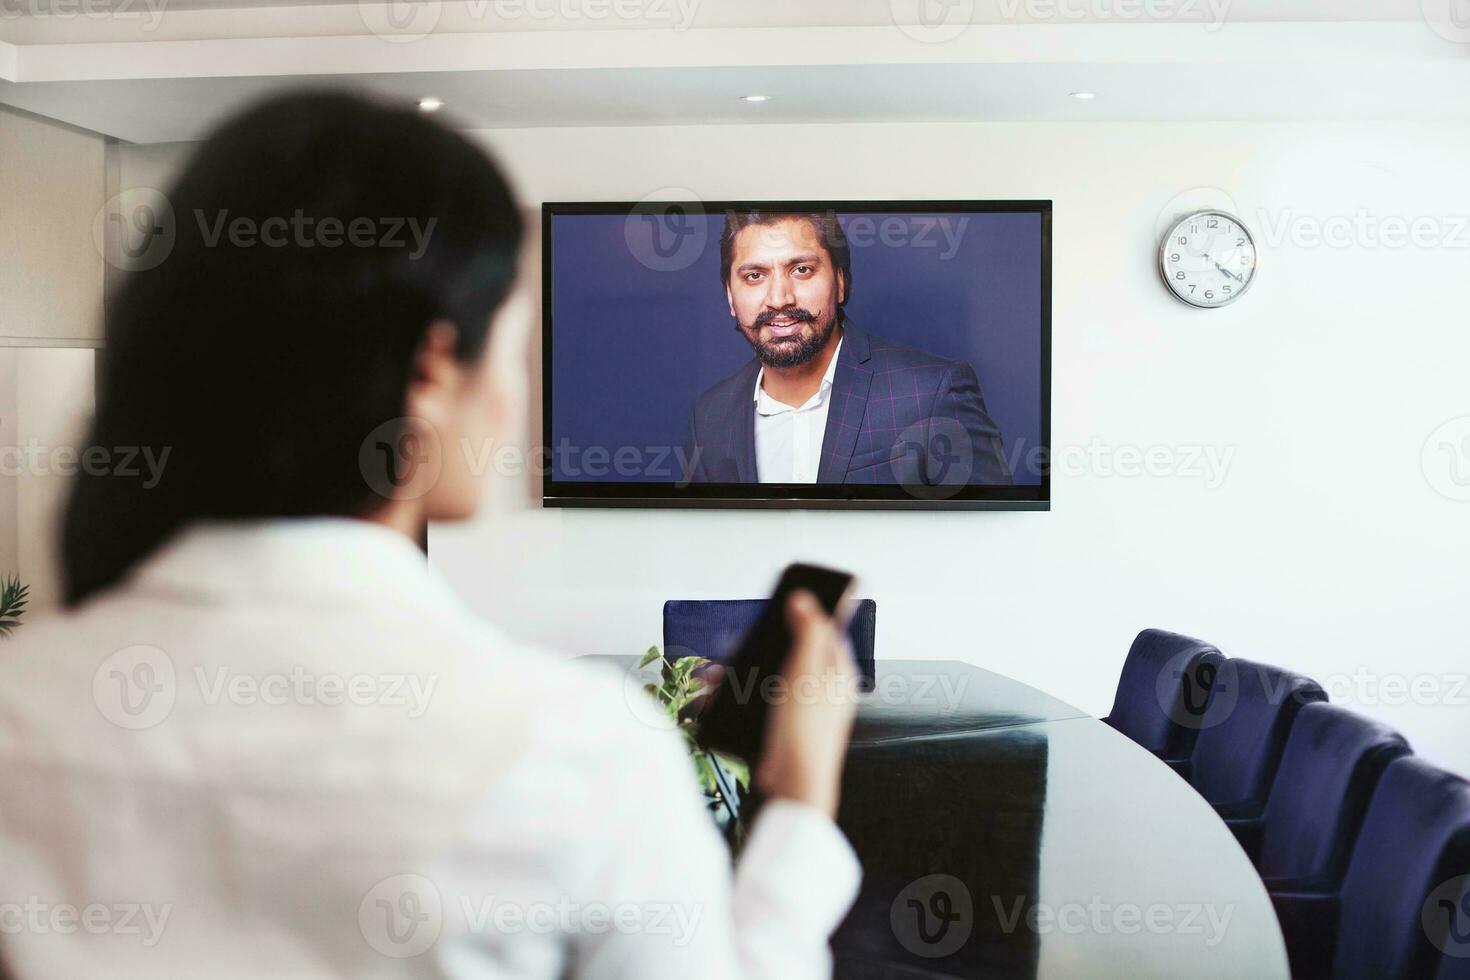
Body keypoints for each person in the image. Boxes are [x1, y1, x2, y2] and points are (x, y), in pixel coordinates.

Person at [0, 91, 862, 978]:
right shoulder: (579, 756)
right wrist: (796, 809)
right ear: (430, 372)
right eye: (511, 350)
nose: (513, 398)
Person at [682, 210, 1012, 486]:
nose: (779, 298)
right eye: (755, 275)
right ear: (729, 295)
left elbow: (997, 540)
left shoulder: (933, 393)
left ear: (840, 281)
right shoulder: (710, 416)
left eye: (801, 270)